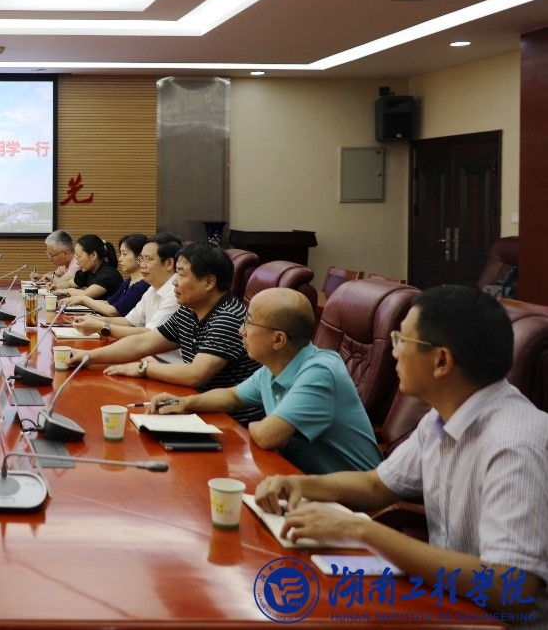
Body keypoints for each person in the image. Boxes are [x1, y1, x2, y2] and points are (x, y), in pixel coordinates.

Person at [255, 286, 547, 619]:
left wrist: (358, 529)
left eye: (402, 340)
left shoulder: (515, 444)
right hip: (449, 602)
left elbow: (512, 588)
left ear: (441, 361)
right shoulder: (440, 418)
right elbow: (377, 485)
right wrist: (299, 485)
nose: (394, 352)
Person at [147, 287, 381, 474]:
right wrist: (185, 403)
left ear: (278, 339)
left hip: (355, 506)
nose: (241, 330)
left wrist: (251, 426)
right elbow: (232, 396)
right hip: (299, 480)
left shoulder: (320, 372)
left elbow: (268, 436)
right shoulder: (276, 365)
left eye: (249, 323)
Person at [80, 243, 262, 425]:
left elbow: (195, 374)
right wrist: (88, 356)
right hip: (198, 406)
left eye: (181, 274)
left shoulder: (228, 317)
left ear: (209, 282)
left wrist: (143, 368)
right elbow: (143, 342)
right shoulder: (189, 311)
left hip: (231, 423)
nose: (174, 281)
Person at [70, 233, 182, 357]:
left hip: (164, 362)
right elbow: (130, 321)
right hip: (148, 356)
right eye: (141, 259)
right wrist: (97, 320)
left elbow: (150, 335)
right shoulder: (152, 288)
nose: (142, 265)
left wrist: (102, 326)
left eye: (148, 259)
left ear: (169, 264)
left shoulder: (176, 292)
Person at [63, 233, 149, 317]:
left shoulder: (142, 285)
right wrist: (80, 302)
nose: (120, 259)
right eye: (120, 254)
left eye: (124, 254)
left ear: (140, 257)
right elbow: (108, 302)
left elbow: (114, 311)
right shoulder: (128, 282)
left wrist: (83, 300)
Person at [55, 234, 122, 301]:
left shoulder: (109, 275)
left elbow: (85, 295)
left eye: (79, 257)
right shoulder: (87, 271)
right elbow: (69, 284)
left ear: (93, 255)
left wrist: (66, 291)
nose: (77, 262)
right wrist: (57, 287)